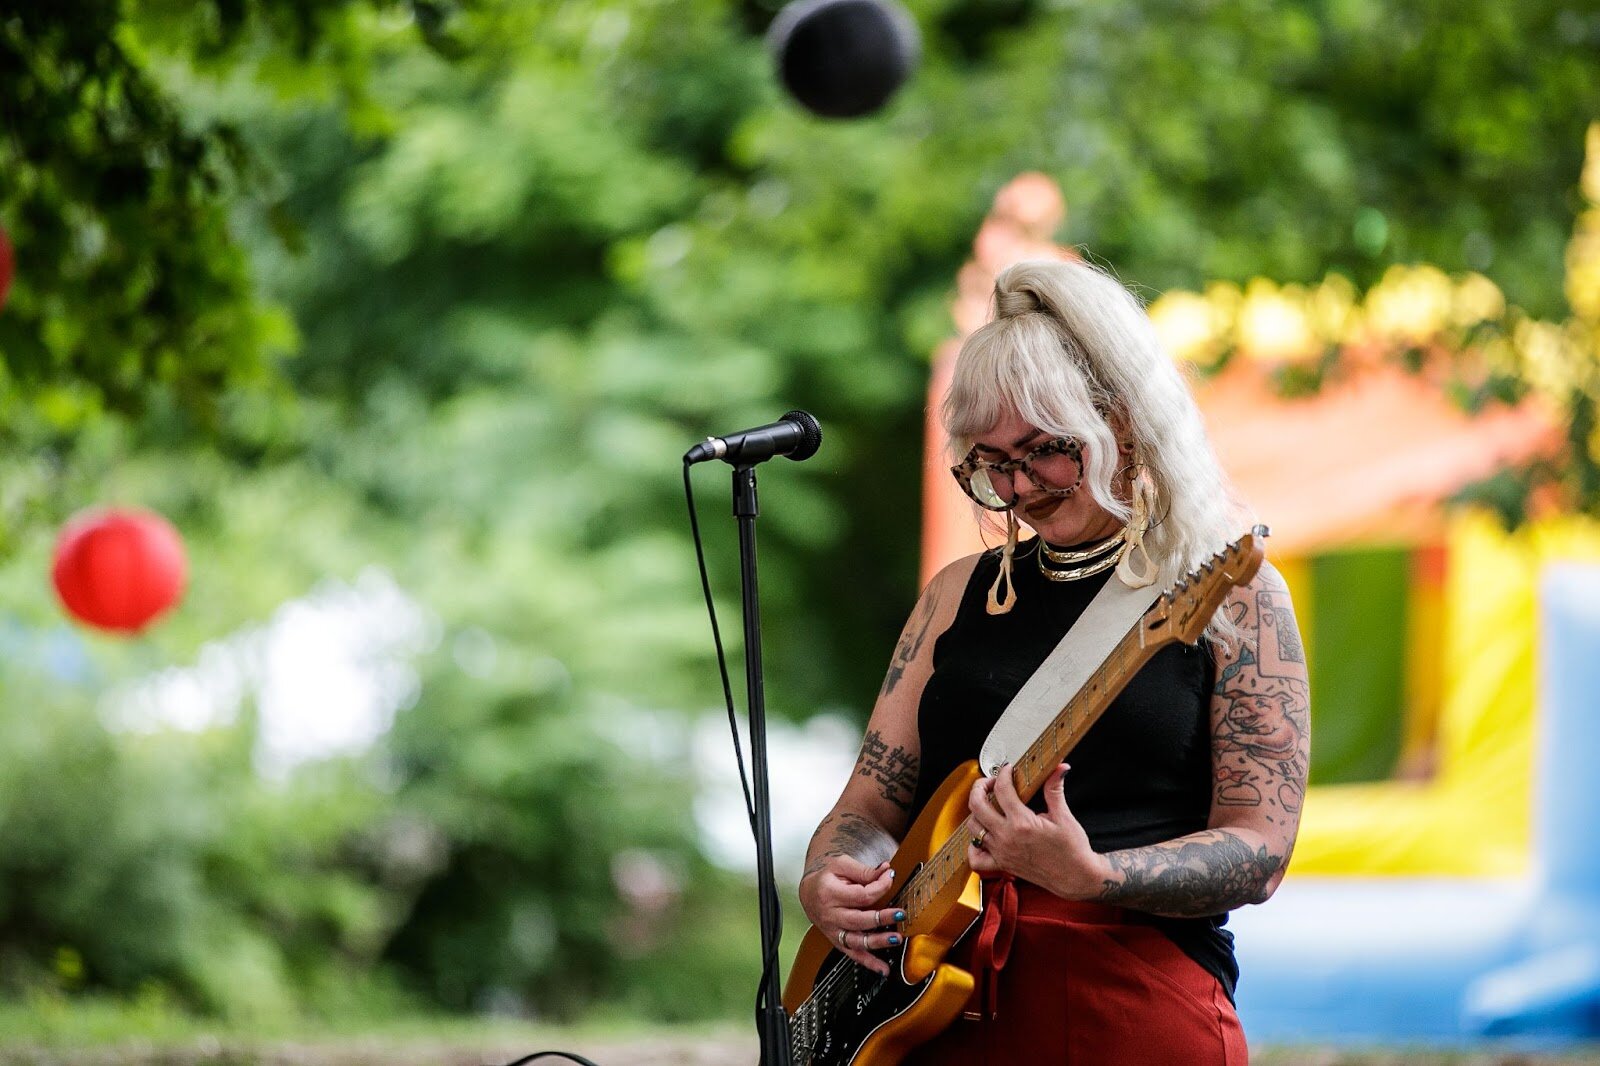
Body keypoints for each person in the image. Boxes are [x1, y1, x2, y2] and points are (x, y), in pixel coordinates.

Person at [796, 258, 1310, 1064]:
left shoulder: (1232, 591)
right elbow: (869, 805)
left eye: (1045, 451)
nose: (1020, 485)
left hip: (1128, 998)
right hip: (923, 1005)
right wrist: (834, 875)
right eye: (991, 464)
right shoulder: (952, 595)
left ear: (1122, 423)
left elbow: (1260, 849)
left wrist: (1095, 875)